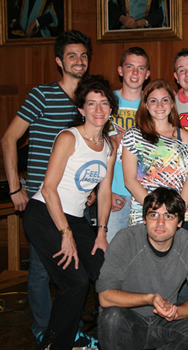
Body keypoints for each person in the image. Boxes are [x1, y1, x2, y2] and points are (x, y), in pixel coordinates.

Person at [0, 29, 94, 345]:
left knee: (74, 270)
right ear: (58, 61)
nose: (79, 61)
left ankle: (68, 327)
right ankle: (44, 329)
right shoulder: (41, 95)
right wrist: (16, 188)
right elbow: (9, 138)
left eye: (83, 55)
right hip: (45, 202)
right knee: (42, 272)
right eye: (72, 55)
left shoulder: (88, 101)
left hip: (78, 203)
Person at [23, 74, 117, 349]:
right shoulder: (68, 137)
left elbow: (104, 192)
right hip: (44, 214)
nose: (98, 110)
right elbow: (49, 188)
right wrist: (65, 233)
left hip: (75, 219)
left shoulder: (109, 145)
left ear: (111, 109)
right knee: (75, 283)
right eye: (91, 104)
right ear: (81, 110)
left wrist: (101, 232)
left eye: (103, 103)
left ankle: (109, 336)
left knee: (105, 273)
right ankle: (54, 343)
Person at [97, 187, 188, 349]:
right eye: (154, 215)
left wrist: (176, 313)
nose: (160, 223)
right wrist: (149, 299)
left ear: (180, 222)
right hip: (129, 321)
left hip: (165, 323)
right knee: (112, 317)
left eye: (168, 216)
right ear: (145, 219)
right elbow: (105, 297)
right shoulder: (126, 239)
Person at [122, 79, 188, 226]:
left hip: (177, 215)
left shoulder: (184, 136)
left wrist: (177, 212)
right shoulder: (133, 135)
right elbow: (130, 181)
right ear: (146, 105)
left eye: (165, 100)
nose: (160, 105)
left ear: (172, 104)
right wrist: (156, 212)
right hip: (145, 214)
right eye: (153, 100)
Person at [106, 47, 150, 243]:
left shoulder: (153, 105)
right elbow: (93, 150)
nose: (135, 73)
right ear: (120, 70)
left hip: (145, 193)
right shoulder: (105, 102)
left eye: (140, 68)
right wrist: (104, 191)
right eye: (129, 67)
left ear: (147, 74)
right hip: (115, 194)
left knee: (145, 260)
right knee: (113, 259)